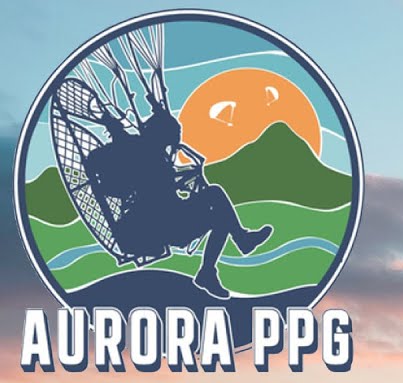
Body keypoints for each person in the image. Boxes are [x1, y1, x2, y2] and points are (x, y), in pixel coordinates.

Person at [81, 106, 271, 300]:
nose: (169, 146)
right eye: (168, 140)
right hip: (164, 225)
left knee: (217, 206)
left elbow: (125, 145)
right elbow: (142, 176)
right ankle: (231, 250)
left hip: (169, 219)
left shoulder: (145, 150)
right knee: (216, 201)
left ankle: (220, 260)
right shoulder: (140, 151)